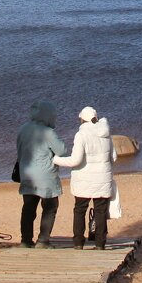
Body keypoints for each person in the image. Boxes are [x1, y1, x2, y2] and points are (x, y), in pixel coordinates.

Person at [53, 105, 115, 250]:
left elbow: (75, 160)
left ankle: (79, 243)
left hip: (84, 180)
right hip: (103, 179)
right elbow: (113, 157)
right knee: (100, 211)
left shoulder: (81, 135)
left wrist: (55, 160)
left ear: (82, 120)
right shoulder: (106, 134)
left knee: (80, 209)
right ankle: (100, 244)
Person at [16, 100, 67, 248]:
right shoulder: (47, 132)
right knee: (50, 207)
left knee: (28, 208)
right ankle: (43, 240)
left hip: (27, 175)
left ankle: (26, 240)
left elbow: (19, 150)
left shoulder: (23, 129)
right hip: (45, 177)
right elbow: (62, 151)